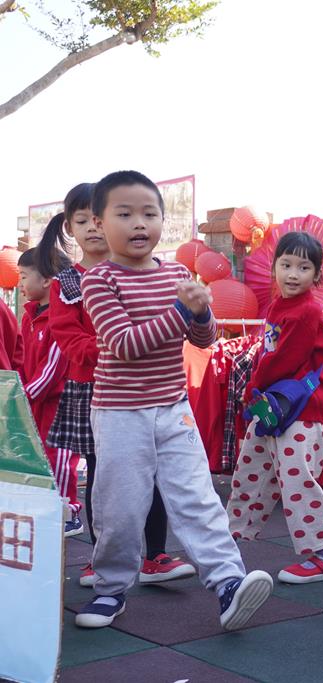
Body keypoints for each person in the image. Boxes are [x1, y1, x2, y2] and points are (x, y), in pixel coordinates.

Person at [76, 170, 272, 630]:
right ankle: (110, 588)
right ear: (100, 223)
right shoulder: (99, 280)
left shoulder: (178, 274)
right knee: (121, 507)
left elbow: (202, 340)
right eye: (125, 214)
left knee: (197, 496)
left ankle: (228, 583)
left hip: (173, 408)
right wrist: (183, 310)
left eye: (149, 214)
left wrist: (201, 313)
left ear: (163, 221)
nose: (139, 223)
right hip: (120, 413)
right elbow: (124, 344)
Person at [39, 182, 194, 586]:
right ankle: (100, 557)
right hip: (95, 387)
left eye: (98, 220)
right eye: (82, 221)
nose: (92, 229)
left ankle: (155, 554)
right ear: (71, 228)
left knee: (154, 471)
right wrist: (113, 347)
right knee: (104, 477)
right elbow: (69, 338)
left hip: (147, 386)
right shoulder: (67, 283)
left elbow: (164, 327)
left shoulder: (140, 271)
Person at [225, 231, 323, 583]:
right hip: (274, 403)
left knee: (297, 480)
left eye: (303, 268)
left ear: (316, 275)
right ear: (274, 267)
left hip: (299, 409)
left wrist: (253, 386)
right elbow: (269, 352)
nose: (292, 274)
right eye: (286, 265)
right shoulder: (279, 306)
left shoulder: (306, 311)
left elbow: (282, 359)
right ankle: (229, 537)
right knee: (251, 467)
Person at [17, 244, 79, 533]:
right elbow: (25, 360)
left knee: (60, 458)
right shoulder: (29, 316)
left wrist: (23, 395)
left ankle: (69, 512)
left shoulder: (60, 316)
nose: (20, 283)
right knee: (40, 456)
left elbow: (54, 367)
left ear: (46, 280)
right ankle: (46, 509)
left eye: (23, 276)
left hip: (60, 403)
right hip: (36, 400)